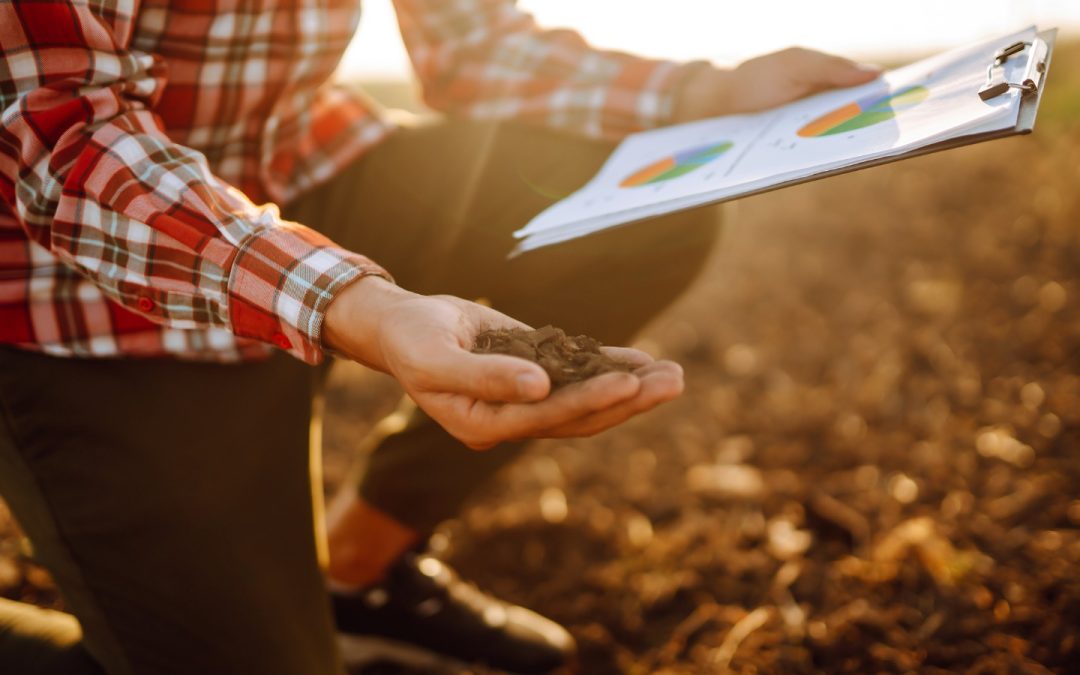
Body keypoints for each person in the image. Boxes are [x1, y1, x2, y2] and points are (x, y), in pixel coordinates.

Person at [0, 1, 878, 673]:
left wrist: (708, 95)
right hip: (69, 282)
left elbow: (466, 45)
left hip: (294, 168)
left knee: (646, 215)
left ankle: (357, 568)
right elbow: (59, 132)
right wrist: (354, 300)